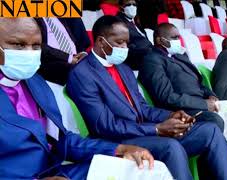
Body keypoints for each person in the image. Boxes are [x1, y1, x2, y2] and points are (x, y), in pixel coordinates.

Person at [66, 15, 227, 180]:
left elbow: (142, 109)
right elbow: (105, 126)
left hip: (143, 132)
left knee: (210, 130)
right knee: (171, 147)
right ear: (100, 41)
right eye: (119, 43)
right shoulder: (82, 74)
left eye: (126, 43)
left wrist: (171, 116)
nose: (124, 48)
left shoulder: (123, 69)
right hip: (117, 141)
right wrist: (157, 130)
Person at [0, 17, 155, 179]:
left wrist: (118, 150)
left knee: (134, 167)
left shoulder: (36, 83)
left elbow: (62, 140)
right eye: (18, 45)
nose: (29, 53)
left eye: (36, 46)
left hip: (55, 172)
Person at [138, 23, 227, 178]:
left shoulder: (180, 56)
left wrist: (210, 95)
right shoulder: (152, 60)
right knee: (214, 120)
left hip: (203, 101)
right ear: (160, 40)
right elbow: (166, 96)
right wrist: (204, 105)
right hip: (183, 110)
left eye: (178, 37)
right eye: (174, 37)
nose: (178, 41)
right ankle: (211, 175)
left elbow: (199, 81)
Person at [36, 18, 90, 85]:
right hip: (51, 62)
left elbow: (83, 40)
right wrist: (69, 58)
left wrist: (82, 53)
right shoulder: (29, 18)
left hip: (77, 59)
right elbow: (36, 45)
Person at [117, 0, 154, 70]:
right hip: (137, 57)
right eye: (129, 4)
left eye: (134, 5)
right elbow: (126, 44)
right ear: (121, 7)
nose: (132, 7)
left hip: (148, 53)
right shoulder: (118, 22)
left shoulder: (135, 22)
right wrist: (149, 51)